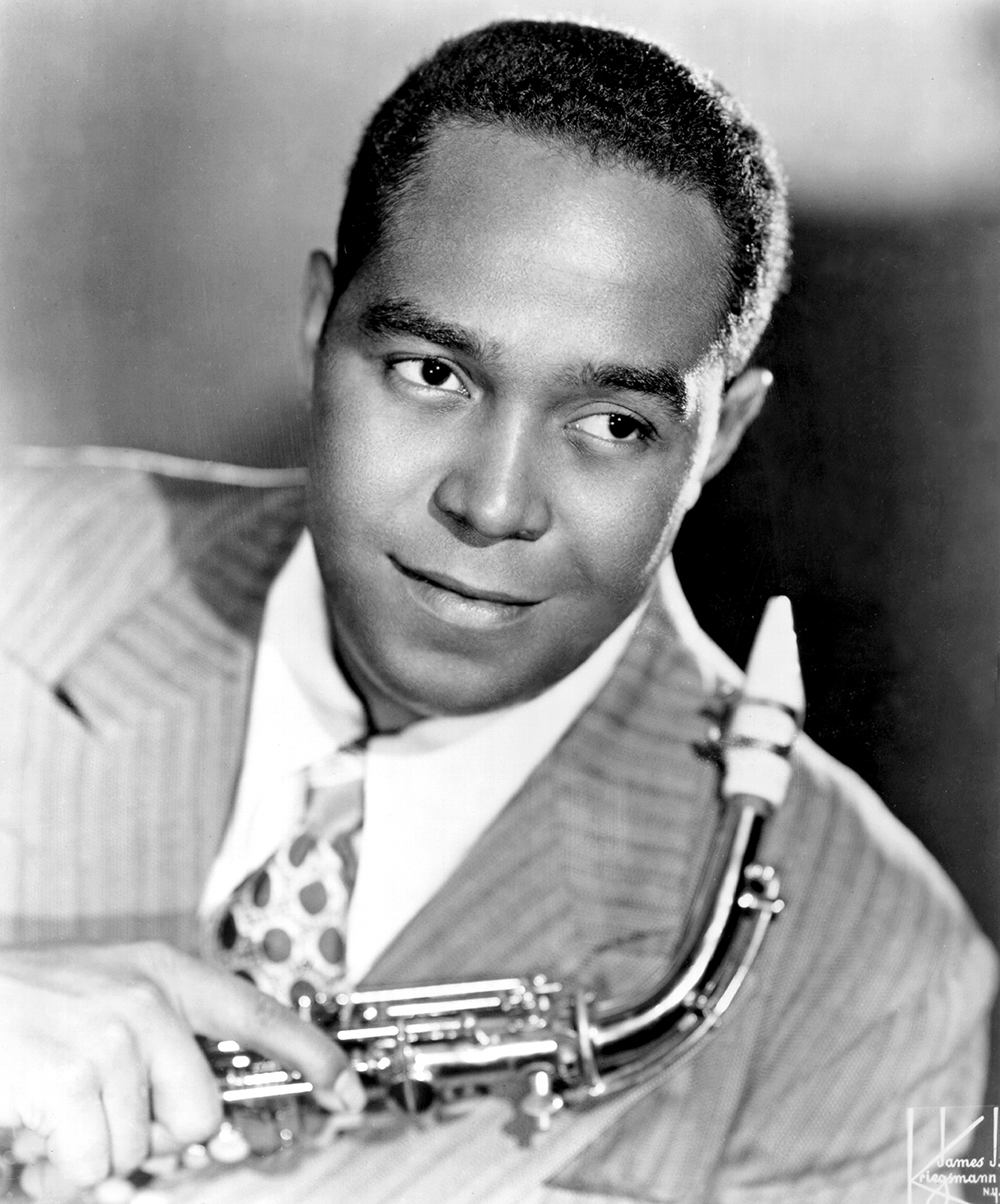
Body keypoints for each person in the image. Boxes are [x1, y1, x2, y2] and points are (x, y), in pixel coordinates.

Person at [0, 18, 995, 1204]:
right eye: (432, 371)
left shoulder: (890, 975)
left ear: (718, 438)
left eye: (614, 426)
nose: (492, 501)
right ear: (319, 325)